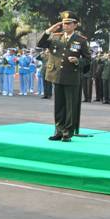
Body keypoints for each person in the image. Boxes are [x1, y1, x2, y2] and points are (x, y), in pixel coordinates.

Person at [37, 11, 91, 142]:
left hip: (71, 76)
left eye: (68, 23)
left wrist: (78, 61)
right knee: (59, 105)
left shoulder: (81, 40)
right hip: (57, 75)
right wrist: (49, 30)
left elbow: (88, 59)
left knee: (70, 106)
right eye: (64, 23)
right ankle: (58, 130)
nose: (65, 26)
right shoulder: (55, 37)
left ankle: (67, 132)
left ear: (75, 25)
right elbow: (40, 43)